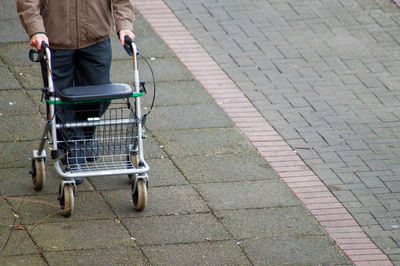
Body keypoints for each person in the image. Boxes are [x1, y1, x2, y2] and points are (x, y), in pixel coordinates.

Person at [17, 0, 136, 184]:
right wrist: (36, 30)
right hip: (55, 41)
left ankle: (85, 135)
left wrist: (125, 25)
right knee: (59, 100)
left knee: (99, 95)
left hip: (96, 38)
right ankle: (72, 149)